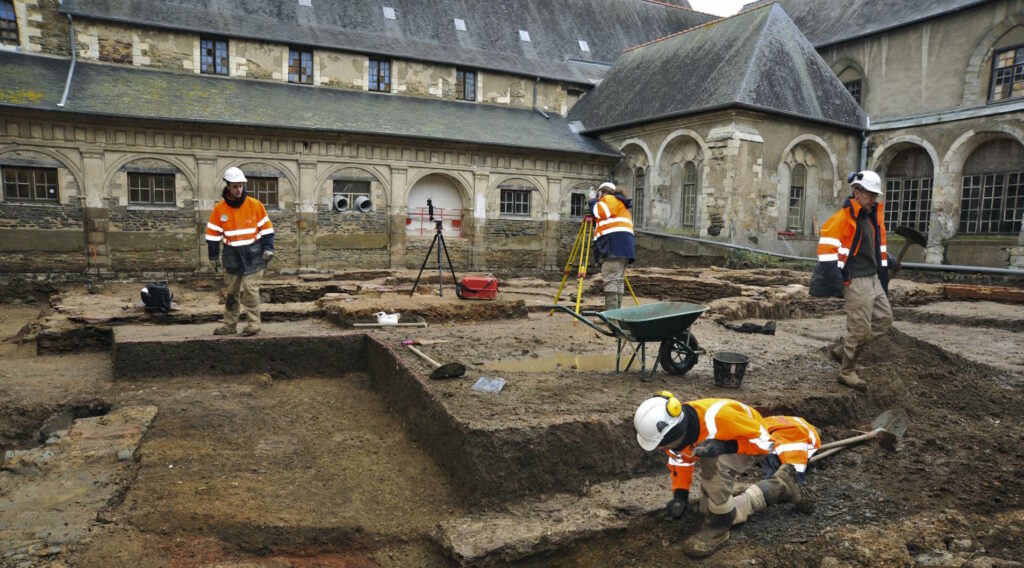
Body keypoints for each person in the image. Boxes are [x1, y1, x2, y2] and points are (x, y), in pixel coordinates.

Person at [634, 393, 815, 558]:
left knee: (714, 464)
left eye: (663, 446)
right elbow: (680, 460)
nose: (662, 450)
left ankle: (717, 530)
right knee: (712, 505)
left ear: (676, 432)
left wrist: (725, 447)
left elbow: (764, 443)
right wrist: (680, 496)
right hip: (733, 442)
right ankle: (781, 484)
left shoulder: (719, 418)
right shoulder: (677, 432)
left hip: (750, 441)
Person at [809, 170, 894, 391]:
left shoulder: (871, 217)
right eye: (870, 194)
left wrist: (887, 260)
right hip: (856, 281)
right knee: (860, 331)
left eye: (876, 195)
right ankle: (847, 372)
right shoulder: (840, 220)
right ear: (856, 191)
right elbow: (826, 257)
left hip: (873, 277)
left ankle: (843, 349)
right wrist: (839, 284)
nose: (874, 199)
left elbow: (873, 246)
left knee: (884, 320)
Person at [205, 166, 274, 336]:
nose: (238, 189)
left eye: (241, 186)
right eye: (235, 186)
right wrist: (213, 257)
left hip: (254, 253)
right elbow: (213, 235)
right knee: (231, 292)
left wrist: (268, 248)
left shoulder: (255, 205)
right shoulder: (219, 210)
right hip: (232, 255)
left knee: (250, 289)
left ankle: (253, 324)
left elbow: (267, 230)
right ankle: (229, 325)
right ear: (228, 186)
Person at [588, 181, 635, 311]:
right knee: (618, 280)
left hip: (613, 245)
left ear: (603, 192)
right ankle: (616, 315)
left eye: (599, 196)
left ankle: (610, 317)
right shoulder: (620, 204)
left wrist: (592, 201)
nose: (599, 200)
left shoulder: (608, 199)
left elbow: (598, 212)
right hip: (625, 248)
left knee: (610, 279)